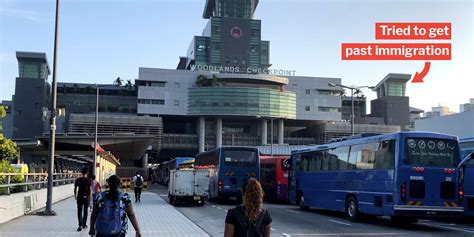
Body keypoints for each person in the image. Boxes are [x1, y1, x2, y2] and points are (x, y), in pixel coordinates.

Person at [75, 167, 91, 231]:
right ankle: (84, 225)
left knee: (79, 211)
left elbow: (75, 188)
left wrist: (75, 196)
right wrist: (90, 198)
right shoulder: (89, 180)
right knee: (85, 211)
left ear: (81, 173)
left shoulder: (78, 179)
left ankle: (80, 225)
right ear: (87, 173)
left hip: (79, 197)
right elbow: (90, 190)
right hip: (86, 197)